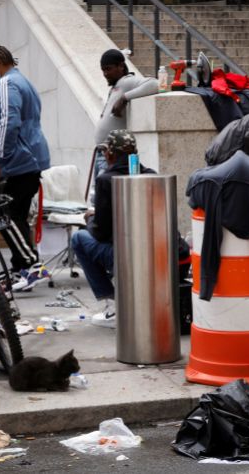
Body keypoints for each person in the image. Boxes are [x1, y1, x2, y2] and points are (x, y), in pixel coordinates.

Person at [71, 130, 154, 328]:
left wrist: (92, 218)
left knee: (78, 239)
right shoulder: (150, 175)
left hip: (125, 255)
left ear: (109, 154)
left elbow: (100, 232)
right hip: (154, 253)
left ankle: (113, 304)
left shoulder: (106, 180)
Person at [0, 45, 50, 275]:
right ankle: (21, 266)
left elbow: (9, 122)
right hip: (30, 158)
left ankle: (31, 264)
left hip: (21, 160)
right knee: (17, 214)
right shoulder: (22, 81)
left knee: (7, 215)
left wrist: (1, 161)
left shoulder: (6, 83)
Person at [94, 49, 159, 178]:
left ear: (121, 66)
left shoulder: (127, 81)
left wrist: (124, 98)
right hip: (103, 154)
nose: (105, 73)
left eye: (108, 69)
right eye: (103, 70)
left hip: (111, 157)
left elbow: (155, 84)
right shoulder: (117, 85)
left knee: (105, 195)